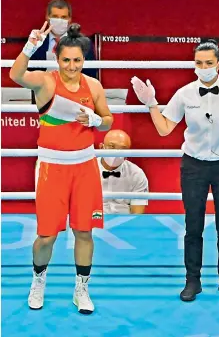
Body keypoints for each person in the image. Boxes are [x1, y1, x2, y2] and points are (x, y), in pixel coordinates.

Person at [131, 39, 219, 301]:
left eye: (209, 63)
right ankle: (192, 281)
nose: (204, 67)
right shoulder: (185, 93)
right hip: (194, 165)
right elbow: (164, 129)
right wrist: (151, 103)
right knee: (192, 225)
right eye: (199, 63)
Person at [9, 22, 113, 314]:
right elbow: (14, 75)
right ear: (57, 59)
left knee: (84, 232)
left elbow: (108, 120)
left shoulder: (94, 86)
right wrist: (30, 46)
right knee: (47, 236)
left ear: (84, 60)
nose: (71, 66)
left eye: (77, 60)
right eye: (66, 60)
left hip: (84, 167)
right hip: (52, 168)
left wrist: (95, 121)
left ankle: (81, 288)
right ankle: (38, 280)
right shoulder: (45, 81)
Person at [31, 0, 97, 79]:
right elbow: (27, 74)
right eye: (55, 16)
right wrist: (31, 47)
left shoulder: (83, 43)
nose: (59, 20)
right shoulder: (36, 41)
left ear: (69, 19)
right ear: (48, 18)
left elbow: (91, 75)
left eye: (63, 17)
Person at [98, 129, 149, 214]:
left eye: (123, 149)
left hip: (124, 223)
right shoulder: (85, 170)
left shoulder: (137, 174)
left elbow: (137, 214)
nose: (116, 152)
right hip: (92, 221)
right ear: (101, 147)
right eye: (112, 146)